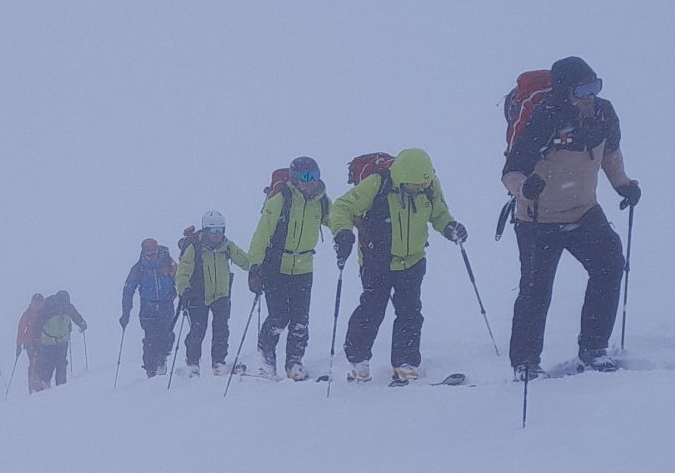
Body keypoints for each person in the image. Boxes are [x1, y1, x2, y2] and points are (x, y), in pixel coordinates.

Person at [501, 56, 638, 377]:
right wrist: (525, 188)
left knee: (610, 266)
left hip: (584, 212)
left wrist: (623, 185)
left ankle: (593, 349)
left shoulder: (604, 113)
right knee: (535, 290)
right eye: (582, 89)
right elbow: (511, 172)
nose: (589, 96)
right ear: (564, 90)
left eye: (595, 87)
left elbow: (611, 153)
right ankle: (525, 363)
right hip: (537, 219)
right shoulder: (545, 116)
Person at [328, 148, 464, 383]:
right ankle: (357, 356)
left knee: (410, 312)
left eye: (422, 185)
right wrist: (342, 233)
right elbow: (342, 207)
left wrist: (450, 228)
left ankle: (406, 362)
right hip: (375, 260)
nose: (419, 189)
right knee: (372, 308)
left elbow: (440, 213)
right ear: (401, 180)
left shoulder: (429, 185)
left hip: (412, 261)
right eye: (413, 186)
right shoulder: (377, 184)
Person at [245, 157, 331, 380]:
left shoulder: (321, 201)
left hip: (304, 268)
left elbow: (336, 220)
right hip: (276, 267)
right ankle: (266, 352)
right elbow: (261, 234)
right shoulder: (281, 200)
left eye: (314, 176)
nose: (311, 182)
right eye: (305, 177)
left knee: (301, 319)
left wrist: (345, 232)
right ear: (295, 179)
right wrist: (254, 268)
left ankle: (294, 361)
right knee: (279, 316)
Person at [174, 210, 253, 376]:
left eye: (220, 230)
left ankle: (219, 362)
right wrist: (184, 289)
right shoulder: (194, 248)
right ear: (205, 230)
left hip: (221, 295)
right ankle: (193, 364)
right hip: (198, 295)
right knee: (197, 330)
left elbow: (245, 261)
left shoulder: (227, 246)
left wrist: (258, 268)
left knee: (221, 330)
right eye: (213, 230)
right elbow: (183, 272)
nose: (217, 234)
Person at [120, 237, 179, 378]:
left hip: (166, 305)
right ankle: (150, 369)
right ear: (143, 253)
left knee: (167, 334)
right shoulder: (138, 269)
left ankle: (162, 359)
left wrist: (184, 294)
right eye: (148, 254)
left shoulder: (168, 263)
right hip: (147, 308)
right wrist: (125, 313)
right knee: (150, 338)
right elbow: (128, 290)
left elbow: (180, 278)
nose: (152, 257)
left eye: (154, 253)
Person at [33, 290, 88, 390]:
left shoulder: (68, 307)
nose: (64, 306)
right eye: (62, 303)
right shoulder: (48, 306)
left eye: (66, 303)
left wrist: (82, 323)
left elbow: (76, 316)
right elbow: (39, 322)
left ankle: (61, 386)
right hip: (49, 341)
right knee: (49, 364)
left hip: (62, 340)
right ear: (58, 301)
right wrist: (36, 338)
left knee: (61, 363)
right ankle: (46, 385)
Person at [15, 293, 48, 390]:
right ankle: (33, 384)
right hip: (30, 342)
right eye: (36, 303)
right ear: (32, 303)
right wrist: (18, 344)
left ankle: (41, 382)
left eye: (39, 303)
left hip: (44, 342)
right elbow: (21, 330)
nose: (37, 305)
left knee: (42, 362)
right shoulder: (27, 314)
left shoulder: (45, 313)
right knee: (34, 362)